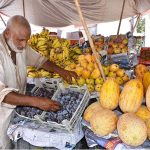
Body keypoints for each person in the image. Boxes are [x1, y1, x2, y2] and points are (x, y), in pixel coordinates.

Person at [0, 15, 78, 149]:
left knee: (17, 143)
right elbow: (2, 93)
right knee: (4, 144)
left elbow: (40, 61)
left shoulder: (19, 46)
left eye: (26, 40)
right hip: (2, 115)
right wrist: (35, 101)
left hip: (18, 109)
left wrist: (61, 71)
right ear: (7, 33)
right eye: (21, 40)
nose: (24, 45)